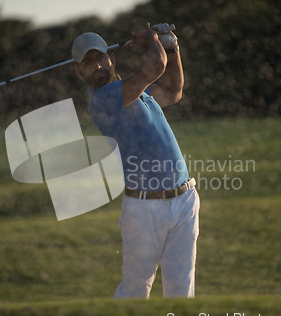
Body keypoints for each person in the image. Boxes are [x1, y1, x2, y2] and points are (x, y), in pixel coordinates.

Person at [72, 23, 200, 299]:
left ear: (112, 59)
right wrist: (153, 40)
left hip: (184, 200)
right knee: (135, 291)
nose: (96, 66)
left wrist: (172, 47)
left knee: (182, 293)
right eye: (87, 62)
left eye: (100, 58)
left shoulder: (138, 92)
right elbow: (155, 67)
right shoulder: (103, 99)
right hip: (144, 209)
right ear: (78, 71)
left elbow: (174, 90)